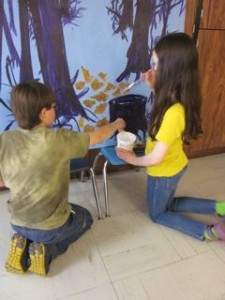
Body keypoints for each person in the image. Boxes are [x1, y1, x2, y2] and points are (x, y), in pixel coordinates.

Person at [0, 81, 125, 276]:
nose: (55, 110)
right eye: (53, 107)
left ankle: (23, 242)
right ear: (43, 113)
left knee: (35, 226)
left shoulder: (5, 138)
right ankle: (48, 251)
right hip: (51, 228)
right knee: (85, 218)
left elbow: (1, 181)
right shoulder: (57, 139)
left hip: (17, 220)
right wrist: (118, 124)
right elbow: (97, 136)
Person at [116, 32, 225, 242]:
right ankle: (219, 207)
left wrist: (133, 160)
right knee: (170, 203)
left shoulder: (174, 113)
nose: (152, 69)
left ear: (171, 70)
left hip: (163, 172)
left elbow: (156, 158)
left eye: (155, 65)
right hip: (174, 166)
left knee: (159, 214)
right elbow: (164, 103)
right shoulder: (175, 98)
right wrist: (152, 86)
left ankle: (209, 232)